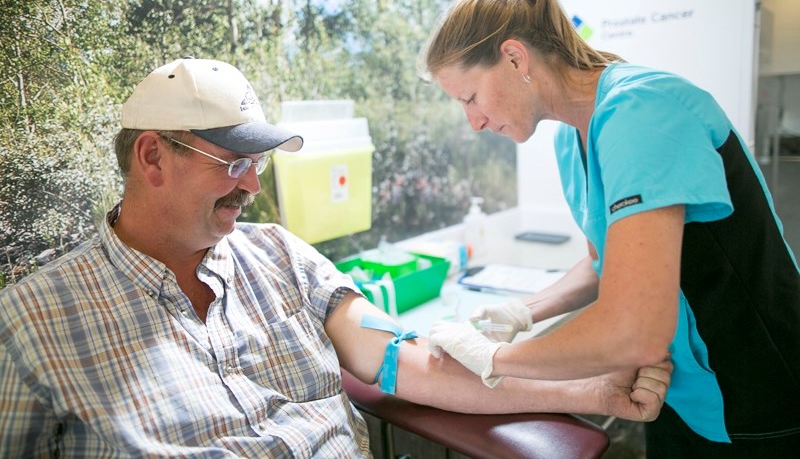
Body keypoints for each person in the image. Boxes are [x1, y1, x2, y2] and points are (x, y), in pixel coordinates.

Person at [0, 57, 672, 457]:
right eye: (234, 163)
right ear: (151, 157)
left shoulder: (281, 258)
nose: (255, 186)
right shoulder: (32, 325)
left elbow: (407, 361)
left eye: (258, 163)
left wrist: (586, 390)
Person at [420, 0, 800, 457]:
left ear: (515, 57)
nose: (473, 122)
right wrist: (522, 311)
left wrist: (496, 359)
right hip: (676, 391)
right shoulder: (570, 136)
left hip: (758, 391)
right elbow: (605, 263)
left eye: (469, 98)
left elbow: (634, 331)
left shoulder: (642, 109)